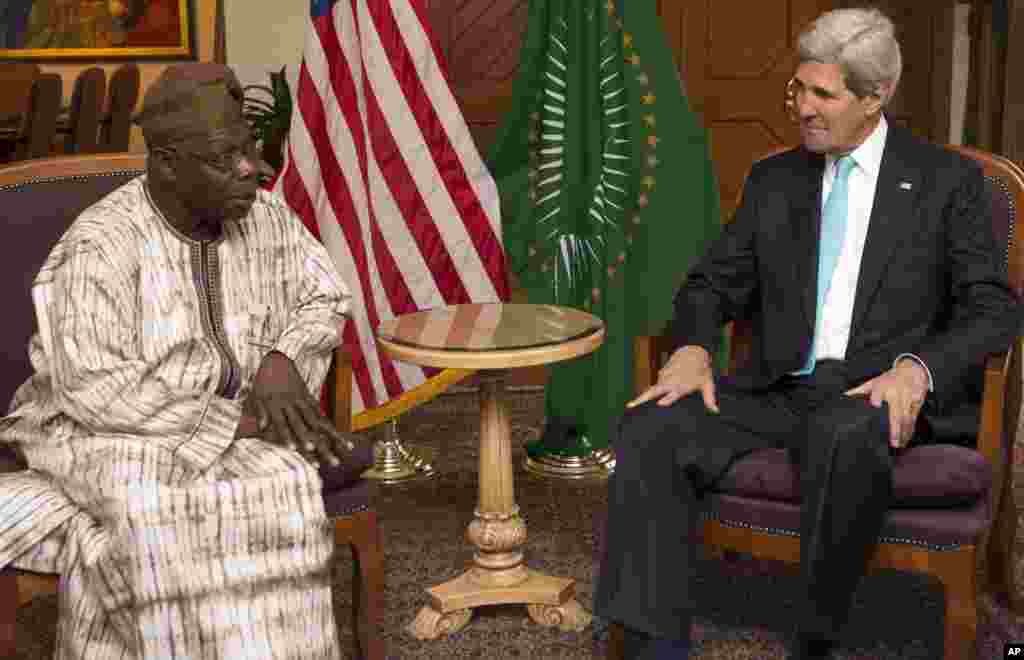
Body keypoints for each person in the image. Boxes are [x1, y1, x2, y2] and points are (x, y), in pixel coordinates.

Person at [594, 7, 1021, 660]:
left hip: (871, 396)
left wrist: (918, 370)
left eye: (824, 94)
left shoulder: (947, 184)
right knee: (652, 427)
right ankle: (654, 646)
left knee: (843, 437)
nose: (803, 108)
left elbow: (992, 310)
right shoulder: (776, 180)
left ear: (876, 96)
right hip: (776, 389)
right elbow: (711, 283)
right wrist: (689, 350)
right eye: (799, 89)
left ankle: (818, 643)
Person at [0, 63, 358, 658]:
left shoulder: (268, 218)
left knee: (282, 477)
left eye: (250, 150)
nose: (251, 170)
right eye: (225, 159)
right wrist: (238, 424)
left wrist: (281, 359)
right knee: (157, 505)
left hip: (238, 419)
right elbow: (93, 385)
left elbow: (325, 295)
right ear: (166, 164)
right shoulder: (101, 244)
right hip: (95, 430)